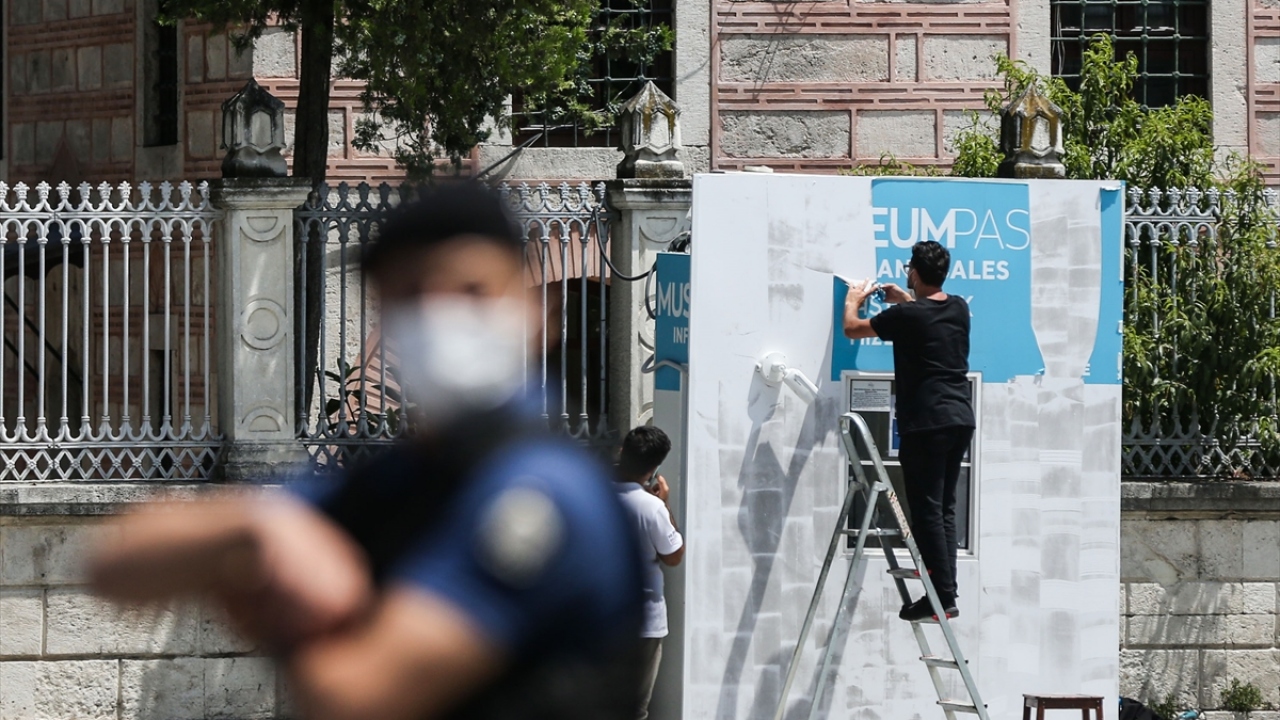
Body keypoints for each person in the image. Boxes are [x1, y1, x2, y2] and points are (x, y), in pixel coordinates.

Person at [88, 183, 646, 720]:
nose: (440, 315)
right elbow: (114, 567)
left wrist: (268, 607)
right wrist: (256, 526)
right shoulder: (399, 473)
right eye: (411, 295)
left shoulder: (543, 492)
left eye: (471, 290)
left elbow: (352, 698)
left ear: (538, 314)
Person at [841, 240, 975, 622]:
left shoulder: (909, 316)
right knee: (944, 508)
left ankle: (940, 596)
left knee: (927, 511)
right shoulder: (958, 308)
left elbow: (853, 329)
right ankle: (945, 591)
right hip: (959, 417)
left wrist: (854, 298)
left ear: (914, 272)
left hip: (927, 421)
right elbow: (926, 320)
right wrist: (905, 301)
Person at [614, 426, 685, 720]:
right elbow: (673, 556)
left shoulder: (592, 492)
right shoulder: (651, 507)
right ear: (655, 468)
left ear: (622, 453)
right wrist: (665, 503)